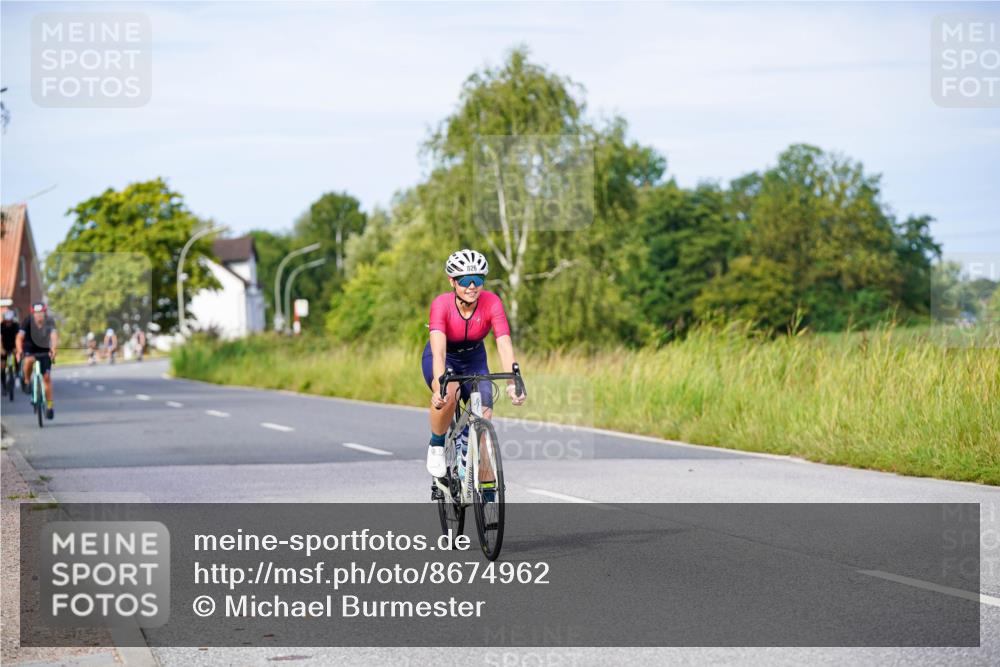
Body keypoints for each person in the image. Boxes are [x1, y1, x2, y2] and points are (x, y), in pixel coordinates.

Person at [423, 249, 526, 484]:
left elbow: (503, 342)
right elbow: (438, 352)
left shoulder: (492, 302)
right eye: (465, 280)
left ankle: (486, 489)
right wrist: (440, 387)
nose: (472, 286)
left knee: (484, 416)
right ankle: (437, 445)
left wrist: (513, 383)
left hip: (474, 360)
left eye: (478, 279)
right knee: (450, 393)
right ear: (452, 281)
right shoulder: (441, 304)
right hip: (445, 358)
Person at [16, 303, 58, 419]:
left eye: (41, 313)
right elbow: (19, 337)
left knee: (47, 378)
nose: (39, 315)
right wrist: (19, 350)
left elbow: (54, 336)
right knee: (28, 361)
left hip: (44, 350)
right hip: (30, 349)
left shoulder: (49, 322)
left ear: (45, 313)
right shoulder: (27, 322)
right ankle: (27, 380)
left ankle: (49, 406)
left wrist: (54, 349)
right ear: (33, 314)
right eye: (37, 313)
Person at [1, 310, 19, 388]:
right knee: (2, 366)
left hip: (13, 346)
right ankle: (4, 385)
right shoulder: (1, 326)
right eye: (7, 321)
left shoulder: (16, 325)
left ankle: (17, 373)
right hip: (3, 347)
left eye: (10, 321)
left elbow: (18, 337)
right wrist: (1, 349)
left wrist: (17, 348)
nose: (8, 323)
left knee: (17, 358)